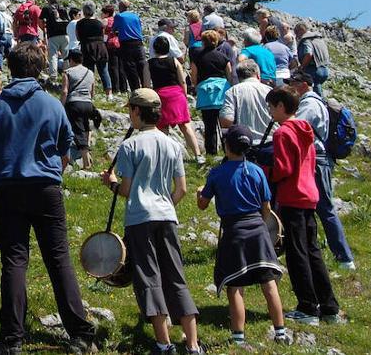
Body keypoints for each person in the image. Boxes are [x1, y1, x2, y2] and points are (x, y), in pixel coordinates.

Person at [0, 42, 98, 354]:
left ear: (10, 68)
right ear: (40, 68)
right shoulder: (52, 104)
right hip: (45, 188)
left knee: (15, 260)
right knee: (58, 259)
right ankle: (80, 333)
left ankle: (12, 339)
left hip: (8, 188)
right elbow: (65, 151)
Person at [103, 89, 202, 355]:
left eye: (130, 110)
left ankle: (163, 342)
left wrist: (111, 184)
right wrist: (165, 204)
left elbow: (126, 190)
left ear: (137, 111)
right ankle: (192, 344)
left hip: (140, 218)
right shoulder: (172, 144)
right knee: (176, 276)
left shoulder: (130, 145)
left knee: (149, 277)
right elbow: (180, 188)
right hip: (166, 215)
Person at [196, 124, 291, 347]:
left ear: (227, 147)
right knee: (269, 283)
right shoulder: (257, 171)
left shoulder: (217, 174)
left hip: (233, 230)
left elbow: (202, 205)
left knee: (234, 285)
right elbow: (266, 207)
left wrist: (199, 193)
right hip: (258, 230)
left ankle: (238, 337)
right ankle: (280, 332)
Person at [265, 88, 343, 325]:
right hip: (309, 194)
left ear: (280, 106)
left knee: (297, 253)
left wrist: (266, 172)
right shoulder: (305, 129)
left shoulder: (282, 133)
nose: (269, 110)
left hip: (292, 196)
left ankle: (307, 307)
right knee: (312, 251)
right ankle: (329, 306)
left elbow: (284, 169)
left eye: (271, 106)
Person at [285, 73, 356, 270]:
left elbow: (296, 127)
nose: (291, 88)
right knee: (317, 207)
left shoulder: (309, 104)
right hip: (318, 158)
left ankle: (344, 257)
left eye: (293, 84)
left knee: (324, 207)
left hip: (316, 159)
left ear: (304, 85)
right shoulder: (314, 102)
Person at [148, 36, 201, 162]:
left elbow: (146, 83)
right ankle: (198, 155)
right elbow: (182, 80)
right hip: (176, 95)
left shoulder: (149, 63)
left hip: (160, 95)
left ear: (155, 49)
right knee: (185, 126)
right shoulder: (174, 61)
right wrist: (184, 94)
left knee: (163, 128)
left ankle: (161, 157)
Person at [191, 29, 231, 157]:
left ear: (203, 42)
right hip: (222, 92)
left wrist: (196, 86)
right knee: (225, 125)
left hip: (206, 93)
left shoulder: (197, 57)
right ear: (216, 41)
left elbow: (194, 76)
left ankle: (211, 153)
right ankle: (228, 151)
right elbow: (229, 74)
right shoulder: (223, 57)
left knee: (209, 126)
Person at [219, 60, 273, 143]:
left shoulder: (232, 92)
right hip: (270, 142)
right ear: (258, 75)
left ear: (238, 76)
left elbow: (226, 120)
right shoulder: (270, 91)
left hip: (244, 143)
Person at [61, 50, 98, 169]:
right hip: (88, 103)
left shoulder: (67, 72)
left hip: (74, 103)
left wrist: (61, 105)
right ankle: (87, 153)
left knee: (78, 131)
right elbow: (93, 92)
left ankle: (86, 162)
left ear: (71, 60)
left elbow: (65, 91)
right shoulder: (90, 72)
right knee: (86, 127)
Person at [114, 0, 151, 90]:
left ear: (120, 7)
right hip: (139, 43)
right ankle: (146, 88)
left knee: (130, 68)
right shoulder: (135, 16)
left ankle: (136, 90)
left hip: (126, 44)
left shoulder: (119, 16)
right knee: (141, 66)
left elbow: (114, 29)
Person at [293, 23, 331, 95]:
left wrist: (302, 66)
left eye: (296, 33)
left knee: (314, 90)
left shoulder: (306, 40)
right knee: (317, 86)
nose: (296, 36)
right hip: (324, 69)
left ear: (301, 30)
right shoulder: (318, 39)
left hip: (313, 70)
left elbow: (309, 54)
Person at [41, 0, 70, 79]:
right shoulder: (63, 8)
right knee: (66, 56)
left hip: (53, 35)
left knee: (53, 56)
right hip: (65, 35)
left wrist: (44, 29)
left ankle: (53, 76)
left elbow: (40, 21)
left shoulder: (46, 8)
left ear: (49, 0)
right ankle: (67, 75)